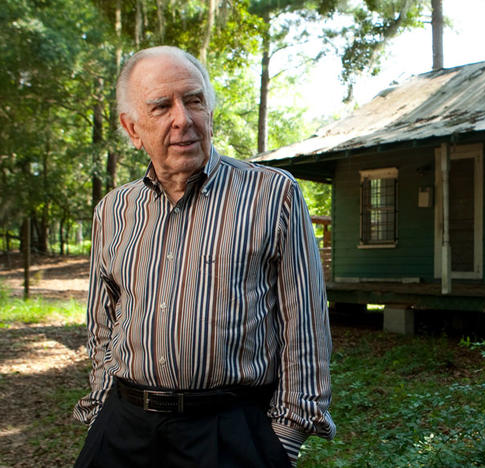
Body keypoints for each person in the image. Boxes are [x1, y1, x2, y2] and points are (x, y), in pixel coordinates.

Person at [73, 45, 335, 468]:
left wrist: (284, 438)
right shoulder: (113, 210)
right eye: (161, 106)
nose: (183, 118)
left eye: (194, 100)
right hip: (125, 428)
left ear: (209, 109)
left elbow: (305, 324)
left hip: (229, 432)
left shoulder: (273, 196)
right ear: (132, 128)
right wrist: (102, 409)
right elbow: (103, 325)